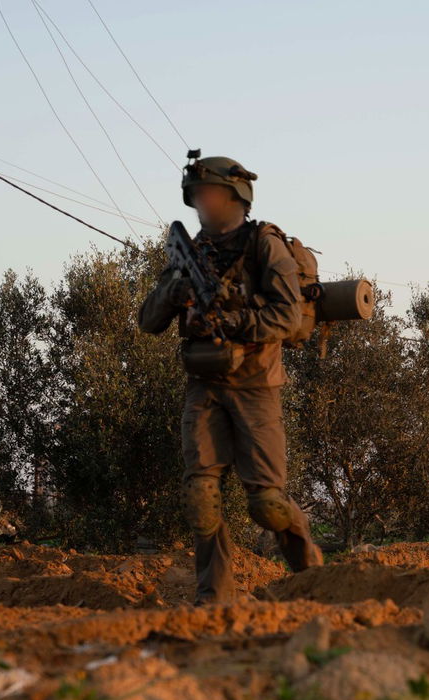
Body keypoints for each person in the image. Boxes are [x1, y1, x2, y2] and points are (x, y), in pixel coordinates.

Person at [138, 154, 322, 603]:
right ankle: (214, 597)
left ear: (237, 197)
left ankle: (313, 578)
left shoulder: (265, 245)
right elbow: (147, 321)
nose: (204, 202)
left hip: (257, 386)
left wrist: (234, 321)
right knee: (202, 497)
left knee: (268, 504)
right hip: (205, 386)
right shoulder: (189, 252)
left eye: (212, 194)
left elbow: (286, 315)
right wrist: (173, 293)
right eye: (197, 195)